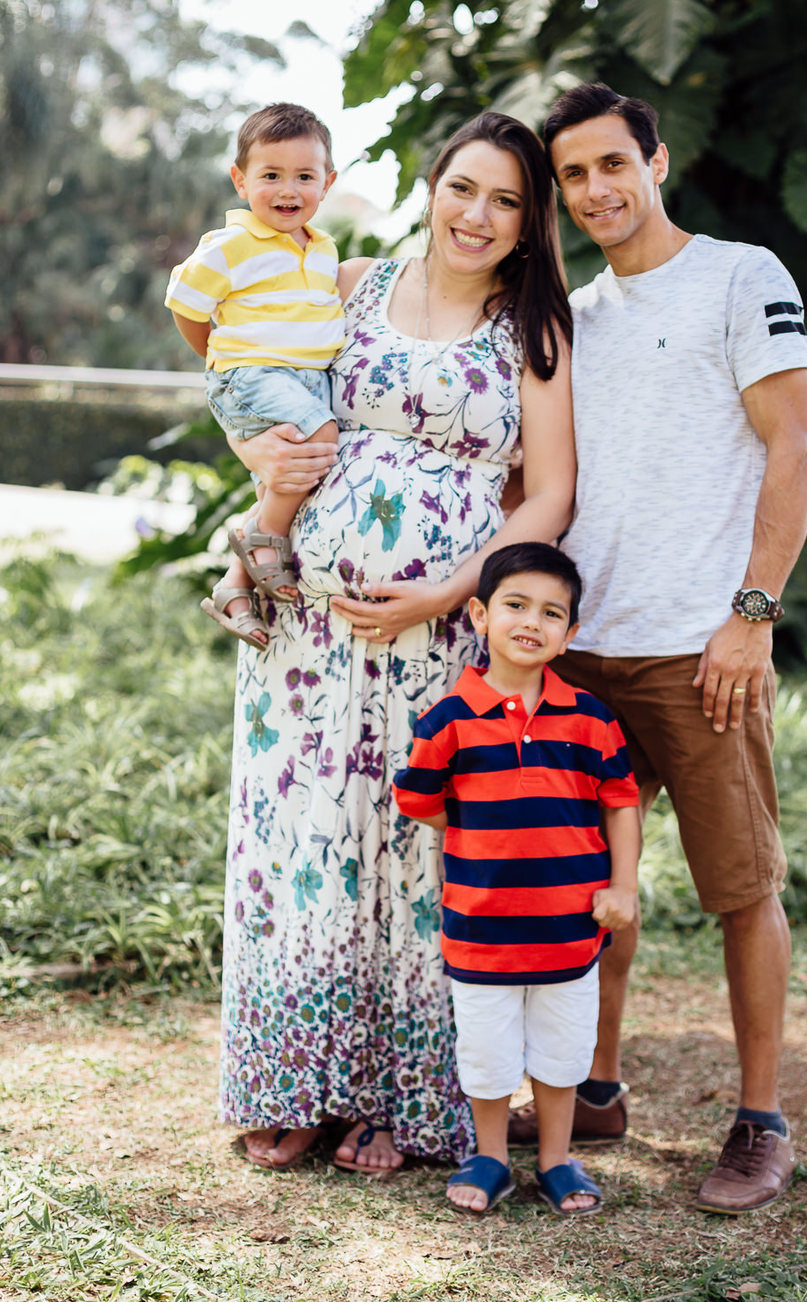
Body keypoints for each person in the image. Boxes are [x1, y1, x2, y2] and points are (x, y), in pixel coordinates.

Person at [217, 112, 576, 1176]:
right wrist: (269, 494)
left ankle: (396, 1099)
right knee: (300, 845)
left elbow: (550, 492)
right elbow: (251, 376)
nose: (479, 214)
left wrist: (447, 595)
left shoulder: (533, 331)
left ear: (527, 222)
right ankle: (296, 1082)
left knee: (415, 853)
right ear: (432, 185)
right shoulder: (348, 281)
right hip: (306, 629)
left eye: (506, 200)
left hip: (443, 634)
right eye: (464, 187)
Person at [508, 81, 807, 1216]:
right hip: (581, 648)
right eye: (573, 176)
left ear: (658, 160)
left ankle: (759, 1122)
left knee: (742, 889)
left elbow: (796, 451)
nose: (594, 190)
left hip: (702, 650)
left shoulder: (743, 277)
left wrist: (752, 615)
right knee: (582, 885)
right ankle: (594, 1091)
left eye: (610, 165)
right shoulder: (570, 318)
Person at [394, 543, 642, 1217]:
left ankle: (558, 1159)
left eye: (551, 612)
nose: (532, 621)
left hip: (570, 927)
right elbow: (418, 800)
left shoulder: (590, 718)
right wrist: (486, 834)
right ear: (479, 614)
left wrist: (623, 886)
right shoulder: (449, 718)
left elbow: (621, 802)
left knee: (564, 1050)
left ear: (570, 635)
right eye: (516, 605)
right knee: (488, 1051)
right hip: (482, 928)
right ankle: (492, 1156)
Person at [166, 101, 344, 649]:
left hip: (302, 379)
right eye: (271, 176)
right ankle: (263, 540)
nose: (288, 190)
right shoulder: (231, 245)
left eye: (303, 177)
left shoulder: (323, 250)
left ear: (327, 183)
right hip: (252, 372)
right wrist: (223, 359)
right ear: (241, 181)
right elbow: (185, 305)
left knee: (282, 478)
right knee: (321, 439)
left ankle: (234, 585)